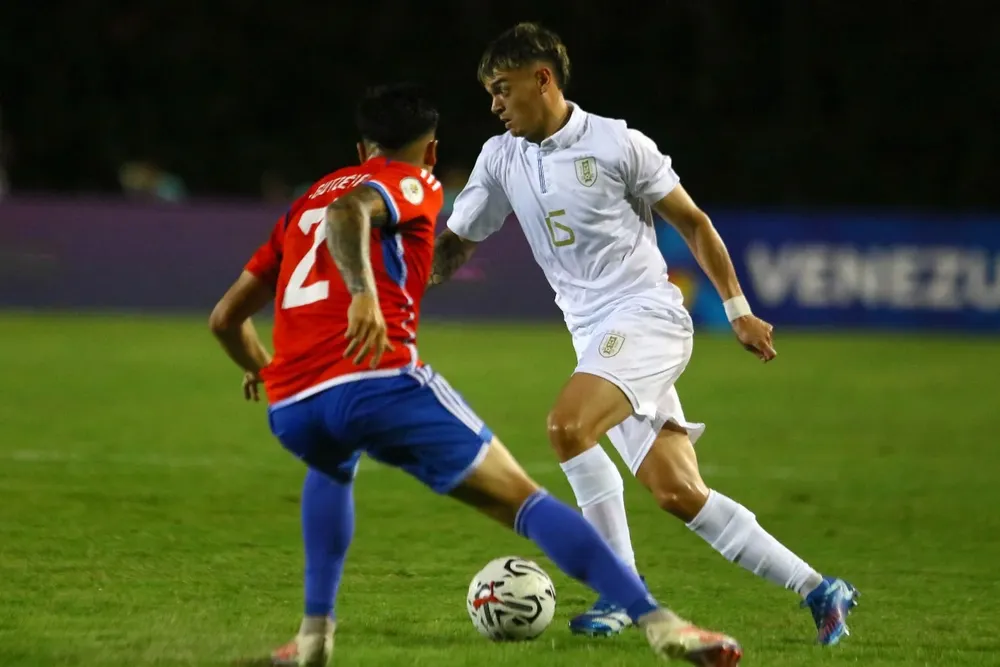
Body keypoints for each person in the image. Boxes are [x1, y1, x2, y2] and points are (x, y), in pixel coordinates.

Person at [209, 83, 743, 667]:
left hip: (294, 407)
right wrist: (364, 295)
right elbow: (351, 211)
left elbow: (225, 319)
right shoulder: (408, 181)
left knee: (330, 468)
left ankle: (313, 639)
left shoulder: (303, 202)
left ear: (359, 147)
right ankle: (660, 625)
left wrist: (264, 369)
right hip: (377, 384)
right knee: (525, 502)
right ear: (431, 152)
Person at [429, 22, 859, 645]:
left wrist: (738, 309)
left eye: (502, 88)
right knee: (679, 492)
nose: (494, 104)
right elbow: (454, 246)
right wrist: (397, 279)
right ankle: (820, 589)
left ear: (541, 79)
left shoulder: (617, 144)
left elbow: (693, 221)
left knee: (566, 427)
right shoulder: (502, 156)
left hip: (646, 318)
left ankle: (620, 591)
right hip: (594, 338)